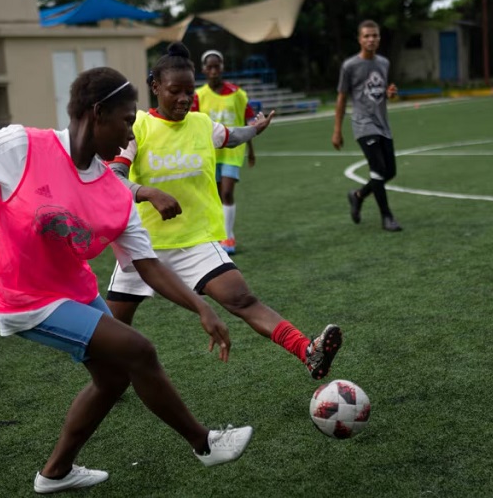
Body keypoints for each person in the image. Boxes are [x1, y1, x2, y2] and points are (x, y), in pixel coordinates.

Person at [0, 66, 253, 494]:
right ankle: (205, 444)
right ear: (97, 112)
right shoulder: (25, 145)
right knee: (138, 349)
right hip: (21, 296)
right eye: (126, 120)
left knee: (115, 376)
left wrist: (202, 307)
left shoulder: (115, 192)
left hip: (74, 290)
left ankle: (55, 473)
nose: (130, 134)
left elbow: (148, 265)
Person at [107, 42, 343, 380]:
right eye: (175, 91)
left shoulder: (202, 124)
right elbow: (114, 176)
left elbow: (231, 137)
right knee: (112, 329)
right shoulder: (138, 127)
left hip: (195, 242)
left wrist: (255, 129)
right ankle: (107, 380)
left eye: (189, 91)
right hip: (142, 248)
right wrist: (148, 192)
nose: (184, 99)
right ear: (155, 87)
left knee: (242, 299)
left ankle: (308, 351)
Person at [333, 19, 401, 232]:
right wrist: (337, 130)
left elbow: (379, 93)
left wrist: (389, 94)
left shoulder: (384, 63)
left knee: (390, 171)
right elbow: (342, 98)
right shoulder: (350, 66)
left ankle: (358, 195)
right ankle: (387, 217)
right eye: (367, 36)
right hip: (363, 124)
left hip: (383, 124)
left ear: (379, 38)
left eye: (375, 35)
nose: (371, 39)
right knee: (378, 170)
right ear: (359, 39)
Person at [192, 49, 256, 255]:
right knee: (217, 195)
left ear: (222, 67)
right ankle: (220, 234)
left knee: (227, 192)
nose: (213, 71)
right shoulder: (198, 96)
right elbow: (192, 124)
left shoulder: (237, 94)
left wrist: (251, 150)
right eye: (209, 67)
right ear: (203, 69)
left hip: (233, 151)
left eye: (216, 66)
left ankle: (228, 236)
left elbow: (247, 122)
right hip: (210, 152)